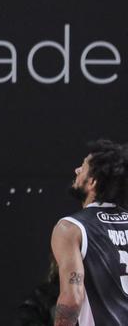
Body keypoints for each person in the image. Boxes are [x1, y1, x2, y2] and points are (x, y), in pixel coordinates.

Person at [51, 139, 128, 325]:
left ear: (92, 182)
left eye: (83, 167)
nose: (77, 170)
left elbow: (72, 299)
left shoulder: (71, 227)